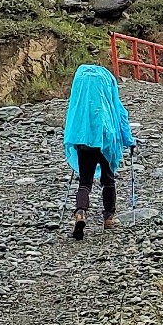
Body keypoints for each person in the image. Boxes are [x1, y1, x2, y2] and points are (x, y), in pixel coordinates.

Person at [63, 62, 135, 242]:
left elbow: (71, 115)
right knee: (108, 180)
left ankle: (80, 213)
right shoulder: (108, 82)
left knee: (85, 182)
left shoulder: (79, 91)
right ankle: (109, 218)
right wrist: (129, 141)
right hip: (105, 137)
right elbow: (120, 113)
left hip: (82, 138)